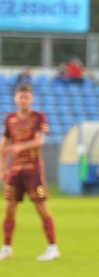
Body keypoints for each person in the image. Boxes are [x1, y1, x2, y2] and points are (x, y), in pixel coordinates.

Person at [0, 84, 59, 261]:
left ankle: (52, 247)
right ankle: (7, 248)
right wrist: (2, 167)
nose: (23, 100)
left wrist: (19, 147)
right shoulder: (10, 118)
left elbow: (40, 141)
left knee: (41, 207)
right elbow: (4, 144)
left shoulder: (39, 117)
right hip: (15, 170)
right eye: (20, 97)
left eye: (26, 97)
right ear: (15, 99)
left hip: (33, 169)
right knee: (9, 209)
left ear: (31, 99)